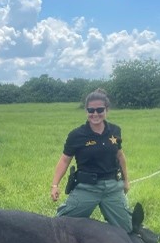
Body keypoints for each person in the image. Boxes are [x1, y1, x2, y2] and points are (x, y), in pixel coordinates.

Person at [50, 88, 132, 233]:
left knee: (127, 228)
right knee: (60, 226)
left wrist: (126, 181)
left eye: (100, 110)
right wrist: (55, 185)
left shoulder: (115, 131)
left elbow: (120, 156)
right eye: (91, 110)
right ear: (86, 111)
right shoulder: (77, 135)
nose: (95, 114)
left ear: (107, 110)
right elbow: (64, 160)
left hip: (112, 188)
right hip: (87, 187)